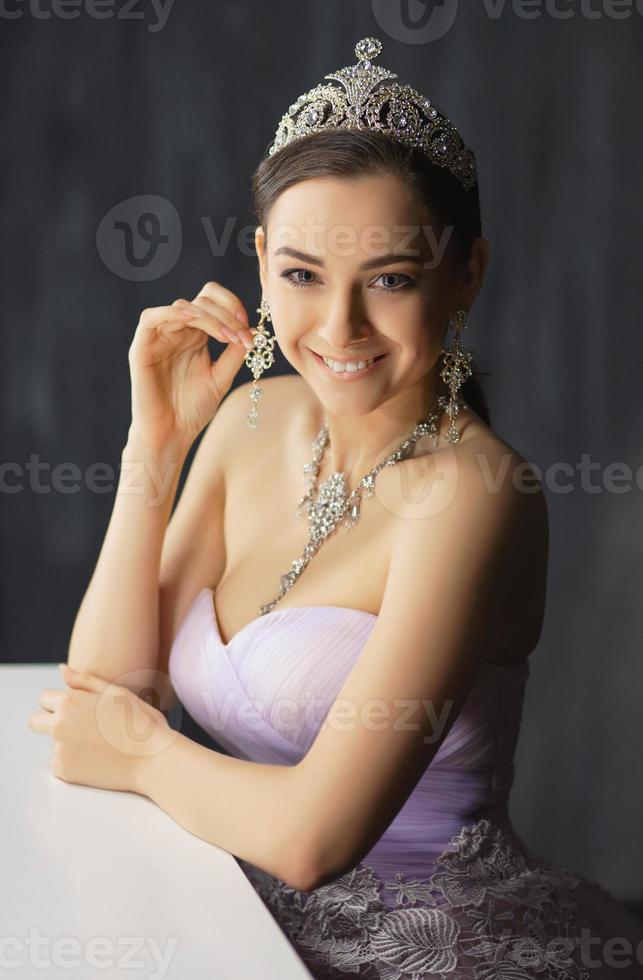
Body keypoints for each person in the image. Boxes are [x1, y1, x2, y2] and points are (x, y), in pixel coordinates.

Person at [34, 36, 643, 980]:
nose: (339, 328)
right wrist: (152, 450)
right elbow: (104, 694)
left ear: (466, 274)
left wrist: (148, 757)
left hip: (429, 949)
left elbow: (316, 838)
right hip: (226, 911)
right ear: (263, 262)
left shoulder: (472, 498)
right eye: (304, 275)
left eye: (390, 279)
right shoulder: (244, 420)